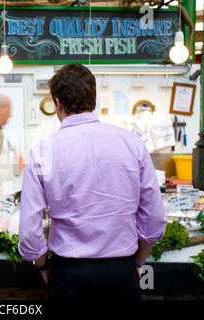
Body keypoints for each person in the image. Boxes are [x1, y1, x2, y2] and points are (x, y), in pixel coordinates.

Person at [18, 63, 167, 300]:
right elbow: (155, 219)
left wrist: (42, 266)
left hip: (68, 274)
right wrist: (138, 264)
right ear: (93, 101)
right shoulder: (132, 144)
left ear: (58, 103)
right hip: (121, 272)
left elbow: (29, 230)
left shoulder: (41, 152)